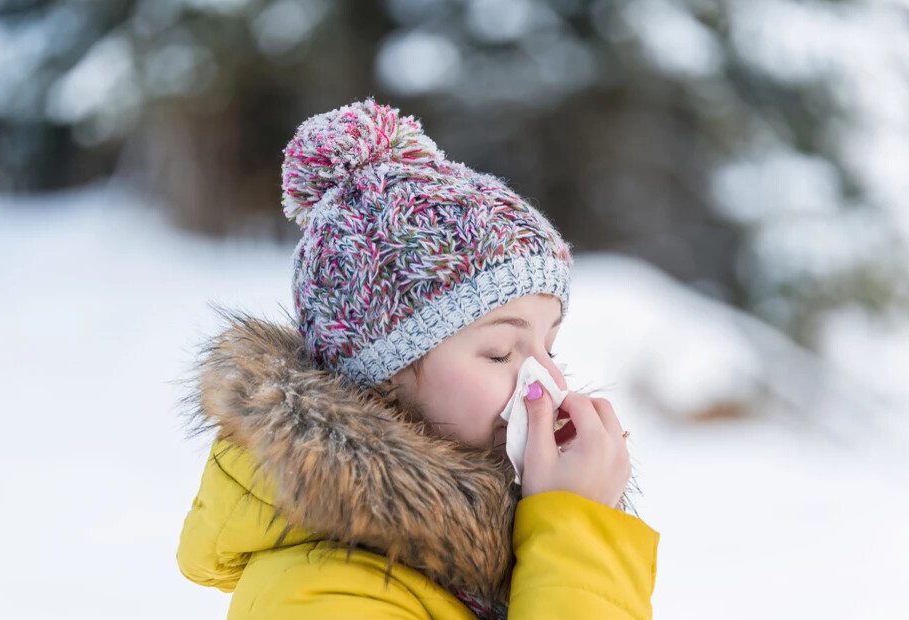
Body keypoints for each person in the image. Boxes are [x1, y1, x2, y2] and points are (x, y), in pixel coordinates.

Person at [177, 99, 659, 619]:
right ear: (381, 382)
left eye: (550, 347)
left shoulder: (503, 544)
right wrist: (577, 534)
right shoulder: (318, 596)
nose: (548, 381)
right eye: (500, 353)